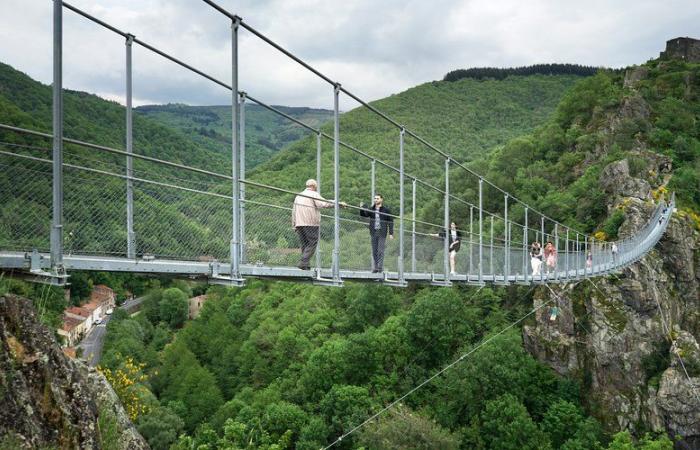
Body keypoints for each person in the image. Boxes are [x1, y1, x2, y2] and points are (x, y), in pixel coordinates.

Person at [292, 179, 345, 270]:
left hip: (299, 223)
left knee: (305, 244)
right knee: (312, 243)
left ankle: (306, 265)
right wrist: (338, 203)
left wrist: (294, 224)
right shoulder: (314, 194)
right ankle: (303, 262)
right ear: (314, 186)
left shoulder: (298, 196)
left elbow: (294, 211)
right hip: (311, 223)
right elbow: (323, 204)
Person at [359, 194, 394, 273]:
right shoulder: (372, 209)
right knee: (374, 250)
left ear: (381, 200)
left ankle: (380, 267)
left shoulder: (386, 210)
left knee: (380, 250)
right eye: (375, 199)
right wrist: (361, 208)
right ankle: (376, 267)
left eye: (377, 198)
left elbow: (390, 222)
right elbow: (364, 215)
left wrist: (391, 233)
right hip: (373, 231)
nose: (376, 200)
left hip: (382, 232)